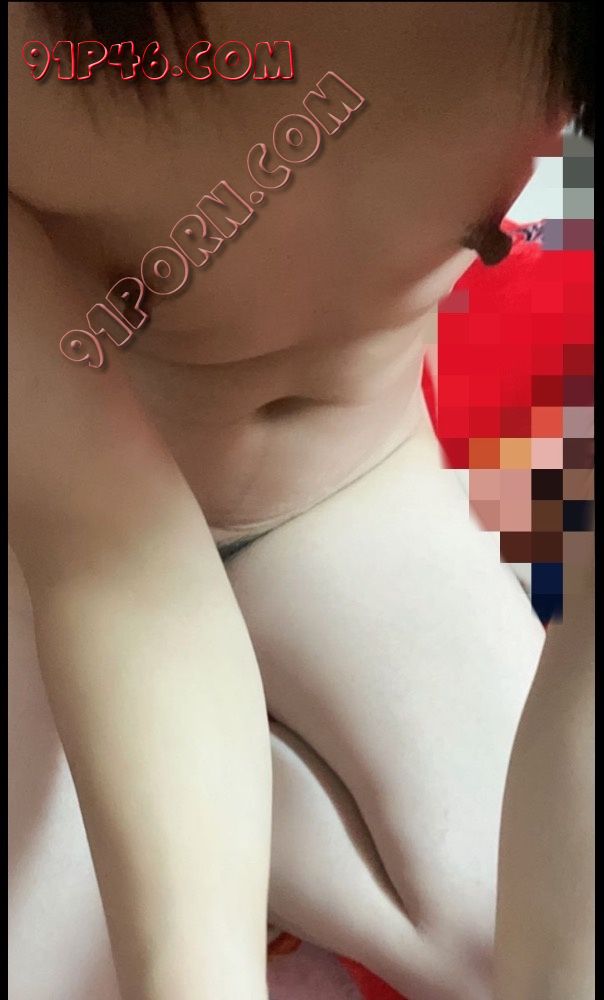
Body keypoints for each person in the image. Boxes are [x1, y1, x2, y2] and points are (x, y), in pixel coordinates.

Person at [8, 3, 594, 999]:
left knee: (497, 937)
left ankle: (268, 808)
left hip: (344, 488)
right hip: (44, 537)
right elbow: (110, 564)